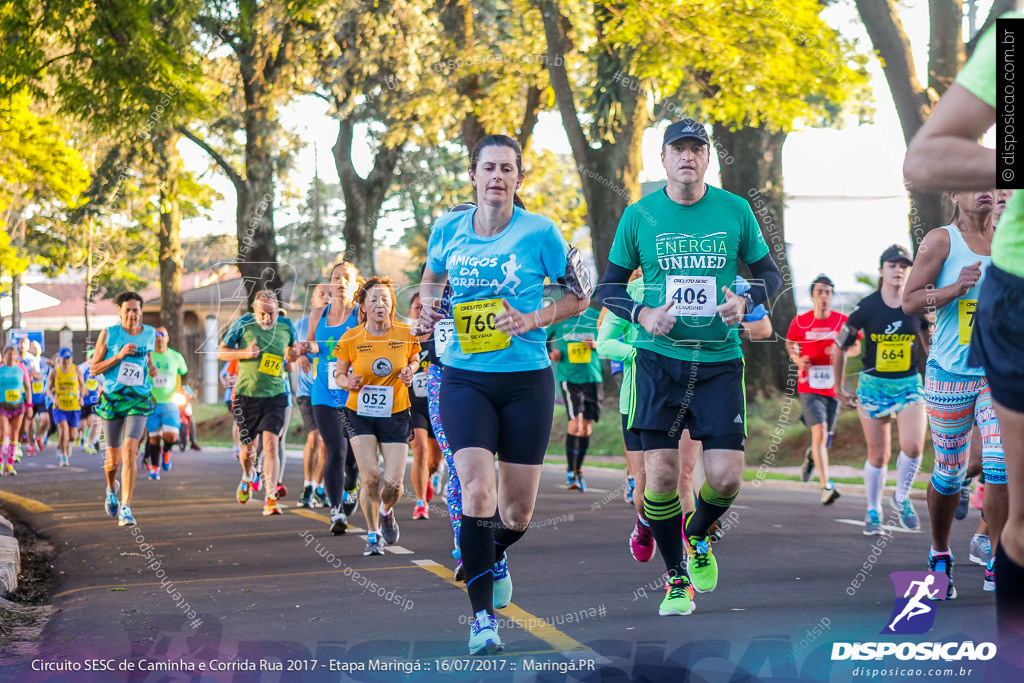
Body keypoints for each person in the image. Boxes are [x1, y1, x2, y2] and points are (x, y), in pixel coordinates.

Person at [595, 119, 782, 617]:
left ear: (706, 157)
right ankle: (677, 580)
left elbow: (769, 272)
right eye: (678, 149)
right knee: (659, 480)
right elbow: (606, 288)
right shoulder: (639, 216)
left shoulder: (735, 210)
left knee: (725, 478)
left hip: (719, 362)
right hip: (660, 363)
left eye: (696, 149)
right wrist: (642, 313)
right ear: (663, 160)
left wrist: (748, 302)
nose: (687, 157)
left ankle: (698, 534)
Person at [419, 135, 590, 654]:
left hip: (526, 381)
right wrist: (425, 308)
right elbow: (430, 279)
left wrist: (531, 319)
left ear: (519, 179)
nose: (497, 176)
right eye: (488, 167)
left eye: (507, 169)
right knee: (476, 494)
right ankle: (482, 620)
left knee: (515, 514)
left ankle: (490, 554)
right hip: (464, 377)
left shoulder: (540, 231)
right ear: (473, 175)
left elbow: (579, 297)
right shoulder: (448, 227)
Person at [902, 190, 1002, 598]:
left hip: (999, 374)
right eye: (972, 181)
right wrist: (952, 290)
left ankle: (1000, 558)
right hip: (950, 373)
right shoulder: (942, 240)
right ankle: (939, 553)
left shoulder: (1013, 237)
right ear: (953, 194)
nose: (985, 189)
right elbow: (910, 300)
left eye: (992, 181)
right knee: (949, 473)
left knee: (1000, 467)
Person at [832, 245, 929, 535]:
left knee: (913, 446)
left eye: (904, 265)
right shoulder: (866, 306)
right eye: (892, 265)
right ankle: (873, 509)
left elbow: (931, 346)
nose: (898, 270)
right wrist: (838, 388)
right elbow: (840, 346)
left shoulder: (916, 306)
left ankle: (901, 497)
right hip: (873, 386)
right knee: (879, 455)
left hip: (910, 384)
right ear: (881, 271)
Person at [333, 276, 420, 554]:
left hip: (396, 413)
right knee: (370, 476)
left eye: (385, 298)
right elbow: (338, 374)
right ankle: (372, 535)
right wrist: (349, 382)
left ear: (392, 304)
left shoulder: (406, 333)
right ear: (364, 306)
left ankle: (386, 510)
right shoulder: (351, 337)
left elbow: (415, 358)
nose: (380, 304)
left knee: (394, 483)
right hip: (360, 413)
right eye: (373, 299)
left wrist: (411, 369)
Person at [218, 289, 299, 517]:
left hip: (276, 395)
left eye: (271, 313)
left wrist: (293, 358)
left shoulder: (286, 326)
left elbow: (291, 352)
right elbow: (221, 353)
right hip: (246, 396)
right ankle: (247, 475)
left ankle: (270, 497)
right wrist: (244, 353)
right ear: (253, 310)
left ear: (277, 310)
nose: (267, 318)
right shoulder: (242, 325)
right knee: (248, 451)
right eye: (262, 314)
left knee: (272, 444)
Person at [297, 262, 362, 533]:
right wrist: (303, 351)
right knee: (335, 449)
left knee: (354, 459)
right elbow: (313, 344)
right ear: (330, 282)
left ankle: (351, 485)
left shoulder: (361, 314)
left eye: (347, 278)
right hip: (323, 392)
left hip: (354, 394)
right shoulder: (318, 314)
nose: (341, 282)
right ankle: (336, 512)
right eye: (337, 277)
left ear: (356, 284)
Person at [786, 275, 861, 504]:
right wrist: (797, 358)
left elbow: (856, 345)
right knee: (818, 432)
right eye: (820, 292)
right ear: (812, 296)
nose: (825, 296)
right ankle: (826, 486)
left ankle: (811, 457)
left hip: (833, 386)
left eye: (828, 292)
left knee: (826, 437)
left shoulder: (843, 321)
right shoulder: (800, 321)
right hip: (809, 384)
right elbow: (790, 343)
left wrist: (842, 353)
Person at [91, 291, 157, 527]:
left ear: (141, 311)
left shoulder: (150, 333)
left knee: (131, 450)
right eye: (127, 309)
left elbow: (147, 358)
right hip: (113, 398)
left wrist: (151, 366)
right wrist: (118, 356)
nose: (132, 314)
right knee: (113, 459)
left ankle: (126, 507)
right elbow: (94, 368)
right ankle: (111, 488)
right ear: (120, 311)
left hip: (138, 399)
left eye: (136, 309)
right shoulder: (109, 334)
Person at [547, 305, 603, 492]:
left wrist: (597, 345)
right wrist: (551, 354)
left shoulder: (596, 316)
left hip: (593, 377)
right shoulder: (560, 316)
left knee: (586, 427)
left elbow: (612, 338)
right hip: (569, 378)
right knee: (576, 424)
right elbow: (542, 340)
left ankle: (579, 469)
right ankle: (571, 472)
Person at [408, 292, 443, 520]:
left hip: (439, 406)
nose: (421, 311)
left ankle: (429, 476)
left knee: (434, 460)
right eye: (416, 307)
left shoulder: (441, 338)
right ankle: (420, 503)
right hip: (413, 405)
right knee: (419, 451)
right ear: (410, 311)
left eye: (425, 307)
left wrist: (439, 373)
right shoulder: (404, 338)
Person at [294, 284, 329, 509]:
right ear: (313, 300)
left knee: (327, 442)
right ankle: (307, 485)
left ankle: (319, 486)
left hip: (329, 389)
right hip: (307, 389)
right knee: (314, 437)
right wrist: (298, 354)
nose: (326, 298)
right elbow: (291, 349)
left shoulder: (337, 323)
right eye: (321, 295)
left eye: (330, 295)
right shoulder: (300, 325)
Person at [144, 327, 189, 480]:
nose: (160, 338)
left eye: (163, 335)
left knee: (171, 436)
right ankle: (155, 468)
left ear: (168, 338)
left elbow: (184, 373)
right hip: (151, 403)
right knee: (154, 439)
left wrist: (184, 390)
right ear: (153, 339)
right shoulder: (147, 357)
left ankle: (167, 451)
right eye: (157, 335)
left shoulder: (176, 357)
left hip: (170, 403)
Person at [47, 347, 85, 467]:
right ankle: (64, 457)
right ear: (60, 359)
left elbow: (82, 385)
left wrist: (81, 397)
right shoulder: (55, 372)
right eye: (64, 359)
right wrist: (53, 399)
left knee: (72, 436)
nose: (66, 362)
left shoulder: (76, 369)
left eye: (68, 359)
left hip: (74, 407)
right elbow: (47, 389)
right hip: (59, 407)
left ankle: (65, 445)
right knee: (63, 431)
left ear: (71, 359)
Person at [0, 345, 33, 475]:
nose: (12, 357)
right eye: (9, 354)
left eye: (13, 354)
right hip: (2, 405)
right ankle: (1, 462)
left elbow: (28, 387)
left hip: (18, 406)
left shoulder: (21, 368)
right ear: (4, 355)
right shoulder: (1, 369)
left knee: (14, 434)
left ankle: (10, 465)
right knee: (3, 433)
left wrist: (29, 405)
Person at [79, 350, 101, 453]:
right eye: (91, 357)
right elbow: (77, 381)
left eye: (94, 357)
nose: (93, 359)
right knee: (82, 424)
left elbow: (103, 383)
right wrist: (82, 390)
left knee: (94, 420)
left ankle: (92, 442)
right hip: (84, 400)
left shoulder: (98, 369)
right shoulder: (83, 368)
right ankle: (83, 437)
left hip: (94, 400)